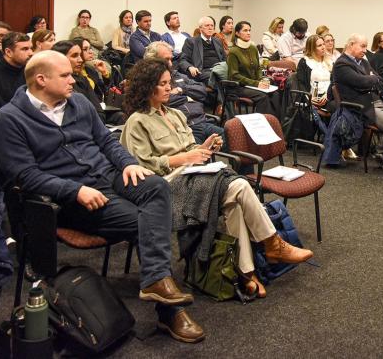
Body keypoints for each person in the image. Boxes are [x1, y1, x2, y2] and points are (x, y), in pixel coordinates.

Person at [0, 51, 205, 343]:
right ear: (41, 80)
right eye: (65, 75)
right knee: (145, 220)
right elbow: (25, 176)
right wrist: (75, 190)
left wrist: (129, 163)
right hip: (69, 196)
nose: (73, 79)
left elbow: (106, 141)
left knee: (156, 186)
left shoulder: (78, 102)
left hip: (109, 177)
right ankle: (170, 311)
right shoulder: (9, 119)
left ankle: (156, 280)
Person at [121, 58, 313, 299]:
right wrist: (183, 159)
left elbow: (190, 149)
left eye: (170, 82)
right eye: (163, 84)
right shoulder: (137, 122)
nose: (170, 88)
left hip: (194, 177)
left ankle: (246, 274)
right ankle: (272, 243)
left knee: (233, 201)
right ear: (148, 87)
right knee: (240, 185)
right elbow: (141, 166)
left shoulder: (177, 115)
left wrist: (205, 147)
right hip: (168, 187)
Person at [332, 33, 383, 173]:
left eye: (366, 47)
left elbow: (379, 80)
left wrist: (370, 79)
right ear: (351, 45)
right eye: (362, 46)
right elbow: (360, 82)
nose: (365, 50)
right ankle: (382, 151)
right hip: (363, 106)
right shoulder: (341, 64)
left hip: (377, 101)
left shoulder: (363, 61)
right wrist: (370, 79)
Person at [144, 41, 225, 145]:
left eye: (171, 59)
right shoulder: (147, 80)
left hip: (202, 121)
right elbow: (164, 102)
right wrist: (187, 97)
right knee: (200, 155)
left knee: (231, 140)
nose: (170, 63)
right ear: (152, 60)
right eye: (166, 59)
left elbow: (202, 90)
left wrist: (181, 90)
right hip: (182, 128)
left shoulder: (177, 75)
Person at [52, 40, 123, 125]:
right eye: (85, 49)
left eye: (90, 48)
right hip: (79, 124)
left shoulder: (89, 71)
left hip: (97, 114)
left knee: (121, 117)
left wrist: (105, 74)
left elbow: (102, 97)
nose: (80, 59)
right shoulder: (56, 83)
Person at [225, 21, 277, 116]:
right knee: (263, 96)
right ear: (237, 33)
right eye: (245, 30)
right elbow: (234, 75)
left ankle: (274, 122)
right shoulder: (233, 51)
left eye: (249, 30)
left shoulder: (253, 48)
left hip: (252, 84)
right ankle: (261, 124)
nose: (248, 33)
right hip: (238, 87)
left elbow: (258, 68)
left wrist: (261, 80)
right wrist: (256, 83)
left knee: (275, 94)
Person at [179, 16, 225, 85]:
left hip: (218, 70)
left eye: (212, 25)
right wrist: (190, 67)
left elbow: (224, 58)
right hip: (202, 71)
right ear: (200, 28)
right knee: (215, 79)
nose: (210, 28)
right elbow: (183, 60)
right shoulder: (191, 41)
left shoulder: (217, 41)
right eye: (207, 25)